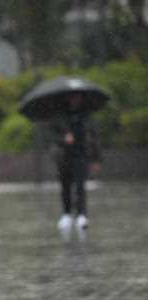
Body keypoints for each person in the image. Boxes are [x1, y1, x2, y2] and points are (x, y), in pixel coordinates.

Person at [49, 93, 101, 232]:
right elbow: (53, 136)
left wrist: (96, 159)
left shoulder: (87, 117)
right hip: (64, 157)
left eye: (78, 97)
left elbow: (95, 138)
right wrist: (63, 138)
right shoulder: (59, 117)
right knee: (65, 187)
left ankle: (82, 215)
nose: (75, 100)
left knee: (80, 187)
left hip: (81, 156)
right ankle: (66, 214)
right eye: (72, 97)